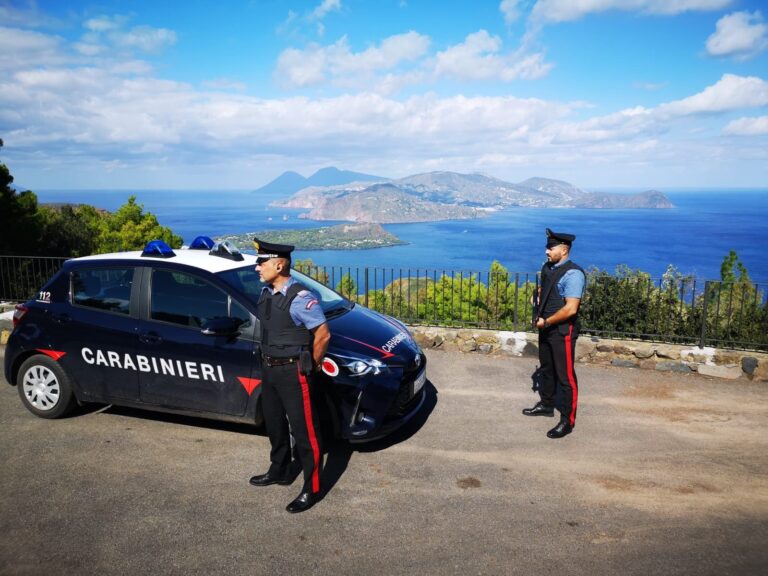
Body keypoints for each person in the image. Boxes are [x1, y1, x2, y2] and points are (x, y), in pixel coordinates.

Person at [248, 238, 331, 513]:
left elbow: (322, 335)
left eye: (262, 262)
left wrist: (313, 365)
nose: (257, 267)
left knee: (305, 433)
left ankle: (312, 487)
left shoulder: (300, 298)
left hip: (294, 371)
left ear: (279, 264)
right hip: (269, 369)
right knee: (274, 425)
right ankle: (280, 470)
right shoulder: (266, 293)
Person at [523, 228, 586, 439]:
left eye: (551, 248)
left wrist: (547, 321)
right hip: (546, 328)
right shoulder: (548, 268)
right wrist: (537, 300)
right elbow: (544, 290)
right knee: (547, 369)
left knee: (566, 377)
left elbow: (571, 309)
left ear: (564, 250)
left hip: (561, 331)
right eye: (547, 247)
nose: (546, 251)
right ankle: (547, 405)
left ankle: (567, 421)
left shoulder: (573, 274)